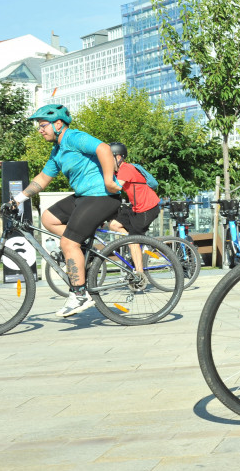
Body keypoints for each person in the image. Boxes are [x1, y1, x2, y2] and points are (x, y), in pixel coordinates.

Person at [12, 104, 122, 317]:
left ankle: (80, 294)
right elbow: (43, 179)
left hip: (102, 195)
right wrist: (17, 199)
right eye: (39, 126)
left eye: (43, 125)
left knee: (67, 242)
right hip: (84, 196)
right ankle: (78, 244)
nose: (40, 130)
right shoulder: (58, 151)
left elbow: (104, 148)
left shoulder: (74, 137)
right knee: (48, 218)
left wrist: (109, 180)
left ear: (58, 124)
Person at [107, 142, 160, 272]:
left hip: (148, 208)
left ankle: (140, 275)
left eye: (109, 157)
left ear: (118, 157)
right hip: (137, 208)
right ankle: (136, 245)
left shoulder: (126, 168)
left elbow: (116, 187)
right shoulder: (118, 171)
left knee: (133, 241)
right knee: (114, 224)